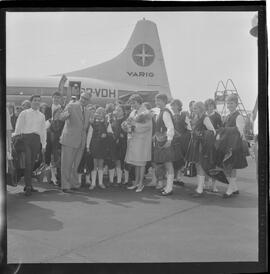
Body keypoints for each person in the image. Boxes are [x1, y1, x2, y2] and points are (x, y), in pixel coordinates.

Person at [13, 95, 47, 196]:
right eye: (35, 100)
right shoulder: (24, 113)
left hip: (36, 140)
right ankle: (28, 186)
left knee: (32, 163)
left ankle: (29, 185)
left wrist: (44, 144)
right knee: (28, 162)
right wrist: (15, 137)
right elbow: (18, 127)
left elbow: (43, 131)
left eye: (39, 101)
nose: (37, 102)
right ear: (31, 102)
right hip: (25, 139)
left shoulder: (42, 115)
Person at [59, 92, 91, 192]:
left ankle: (74, 184)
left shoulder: (88, 111)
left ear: (89, 101)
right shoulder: (71, 105)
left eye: (86, 99)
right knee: (66, 164)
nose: (83, 100)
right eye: (82, 97)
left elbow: (84, 128)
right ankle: (65, 186)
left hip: (81, 141)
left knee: (75, 165)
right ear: (79, 97)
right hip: (69, 140)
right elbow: (61, 117)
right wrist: (65, 113)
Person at [186, 101, 216, 197]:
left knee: (200, 165)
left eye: (195, 108)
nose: (193, 110)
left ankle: (200, 189)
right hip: (195, 144)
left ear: (200, 108)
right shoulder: (196, 117)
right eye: (193, 108)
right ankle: (199, 187)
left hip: (201, 145)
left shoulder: (205, 118)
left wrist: (200, 134)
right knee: (198, 165)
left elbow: (213, 131)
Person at [124, 94, 152, 192]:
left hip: (142, 141)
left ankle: (141, 184)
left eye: (134, 103)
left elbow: (147, 126)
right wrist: (126, 126)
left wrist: (133, 126)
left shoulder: (146, 113)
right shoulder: (133, 112)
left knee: (141, 163)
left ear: (139, 102)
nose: (132, 105)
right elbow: (128, 122)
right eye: (131, 103)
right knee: (136, 163)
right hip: (134, 140)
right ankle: (136, 182)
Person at [221, 94, 248, 198]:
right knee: (229, 167)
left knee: (230, 167)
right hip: (228, 144)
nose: (229, 105)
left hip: (234, 145)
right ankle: (234, 187)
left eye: (231, 103)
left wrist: (226, 130)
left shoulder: (239, 116)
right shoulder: (228, 116)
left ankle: (230, 190)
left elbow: (240, 131)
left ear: (236, 104)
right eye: (228, 103)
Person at [153, 94, 175, 196]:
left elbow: (170, 127)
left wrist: (169, 140)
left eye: (159, 101)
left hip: (165, 142)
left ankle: (169, 188)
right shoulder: (161, 112)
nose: (157, 103)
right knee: (166, 164)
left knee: (168, 164)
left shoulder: (165, 112)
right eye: (156, 101)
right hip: (161, 141)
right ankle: (168, 186)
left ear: (164, 101)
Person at [170, 99, 191, 186]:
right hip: (172, 141)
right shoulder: (170, 116)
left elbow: (189, 129)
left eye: (175, 105)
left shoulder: (183, 116)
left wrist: (183, 137)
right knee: (173, 159)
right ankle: (174, 177)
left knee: (181, 159)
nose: (173, 107)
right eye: (172, 105)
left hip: (182, 141)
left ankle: (179, 177)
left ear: (179, 106)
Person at [204, 98, 223, 192]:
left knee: (214, 164)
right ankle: (206, 183)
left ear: (213, 106)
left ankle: (214, 185)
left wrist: (218, 136)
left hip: (214, 143)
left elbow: (221, 128)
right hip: (204, 143)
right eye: (207, 106)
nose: (209, 107)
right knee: (205, 164)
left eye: (211, 105)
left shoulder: (217, 116)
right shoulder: (203, 116)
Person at [89, 107, 109, 190]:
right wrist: (87, 146)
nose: (98, 114)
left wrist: (106, 135)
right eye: (97, 112)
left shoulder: (106, 124)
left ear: (104, 115)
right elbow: (89, 136)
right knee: (94, 165)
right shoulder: (92, 123)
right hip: (94, 146)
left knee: (100, 165)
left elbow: (111, 134)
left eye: (101, 113)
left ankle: (100, 183)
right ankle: (93, 183)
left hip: (102, 147)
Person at [110, 104, 129, 185]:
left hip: (123, 144)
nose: (117, 112)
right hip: (114, 144)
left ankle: (126, 180)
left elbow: (128, 132)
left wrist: (122, 135)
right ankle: (118, 180)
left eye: (119, 110)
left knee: (124, 162)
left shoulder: (126, 120)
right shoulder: (113, 120)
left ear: (123, 112)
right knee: (117, 161)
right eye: (116, 110)